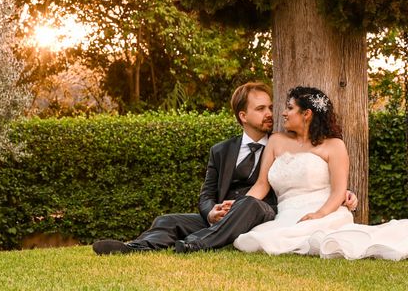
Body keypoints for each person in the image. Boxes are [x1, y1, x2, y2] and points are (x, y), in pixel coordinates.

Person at [92, 82, 357, 255]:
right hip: (224, 217)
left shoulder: (281, 143)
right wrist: (212, 212)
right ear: (243, 116)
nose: (271, 113)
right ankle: (134, 247)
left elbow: (308, 178)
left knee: (248, 204)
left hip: (262, 213)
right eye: (261, 108)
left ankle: (198, 243)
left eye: (272, 107)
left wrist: (344, 195)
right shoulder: (221, 151)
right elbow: (206, 195)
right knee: (167, 220)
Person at [234, 86, 408, 260]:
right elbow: (262, 184)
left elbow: (339, 192)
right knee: (259, 238)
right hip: (286, 214)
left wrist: (319, 214)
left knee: (321, 236)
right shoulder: (276, 141)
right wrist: (239, 208)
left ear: (306, 114)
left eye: (290, 108)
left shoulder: (334, 145)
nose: (283, 113)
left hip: (326, 212)